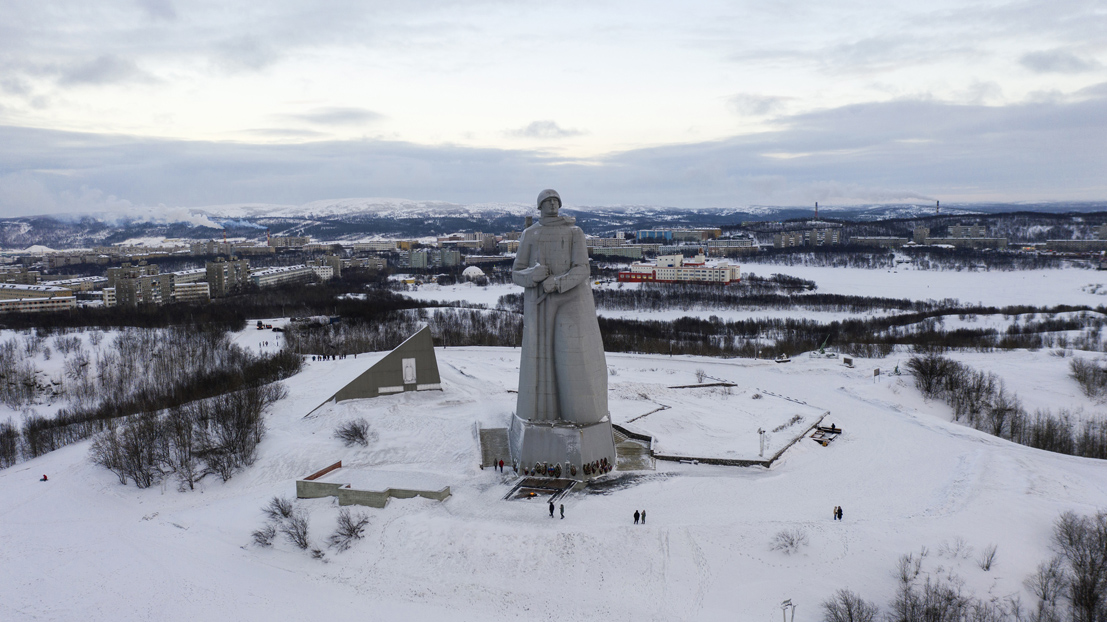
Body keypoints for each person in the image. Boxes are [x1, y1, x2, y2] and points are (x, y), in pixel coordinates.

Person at [512, 189, 608, 426]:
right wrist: (532, 275)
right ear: (540, 206)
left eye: (556, 201)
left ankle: (578, 415)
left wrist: (558, 282)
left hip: (571, 299)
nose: (553, 204)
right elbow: (516, 272)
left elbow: (582, 268)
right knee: (539, 359)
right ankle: (542, 416)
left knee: (573, 352)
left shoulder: (574, 232)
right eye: (548, 201)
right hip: (539, 304)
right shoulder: (530, 234)